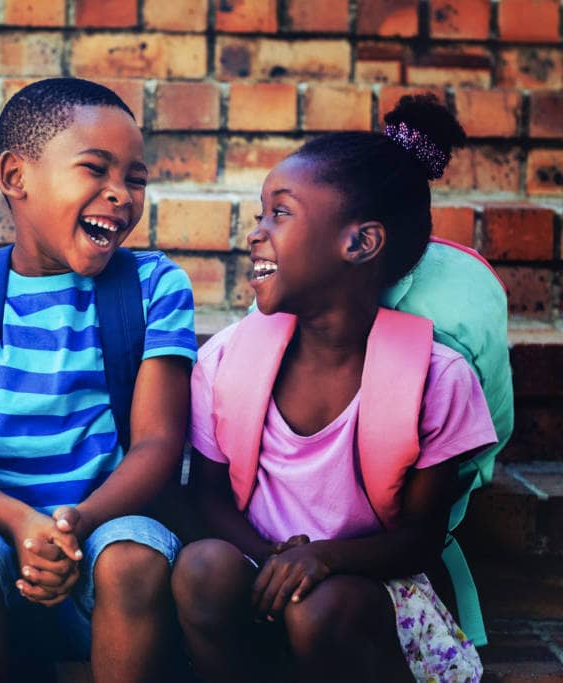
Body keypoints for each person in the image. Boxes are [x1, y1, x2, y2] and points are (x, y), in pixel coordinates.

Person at [172, 95, 495, 682]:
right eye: (259, 214)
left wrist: (322, 559)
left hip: (369, 596)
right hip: (262, 575)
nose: (256, 233)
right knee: (202, 567)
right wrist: (277, 559)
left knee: (320, 610)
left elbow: (421, 539)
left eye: (280, 214)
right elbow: (206, 500)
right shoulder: (225, 361)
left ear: (360, 243)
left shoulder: (437, 378)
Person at [0, 77, 198, 682]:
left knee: (134, 557)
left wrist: (74, 523)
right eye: (95, 169)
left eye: (135, 178)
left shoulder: (155, 287)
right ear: (15, 177)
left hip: (105, 532)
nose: (120, 195)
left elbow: (159, 443)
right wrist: (17, 524)